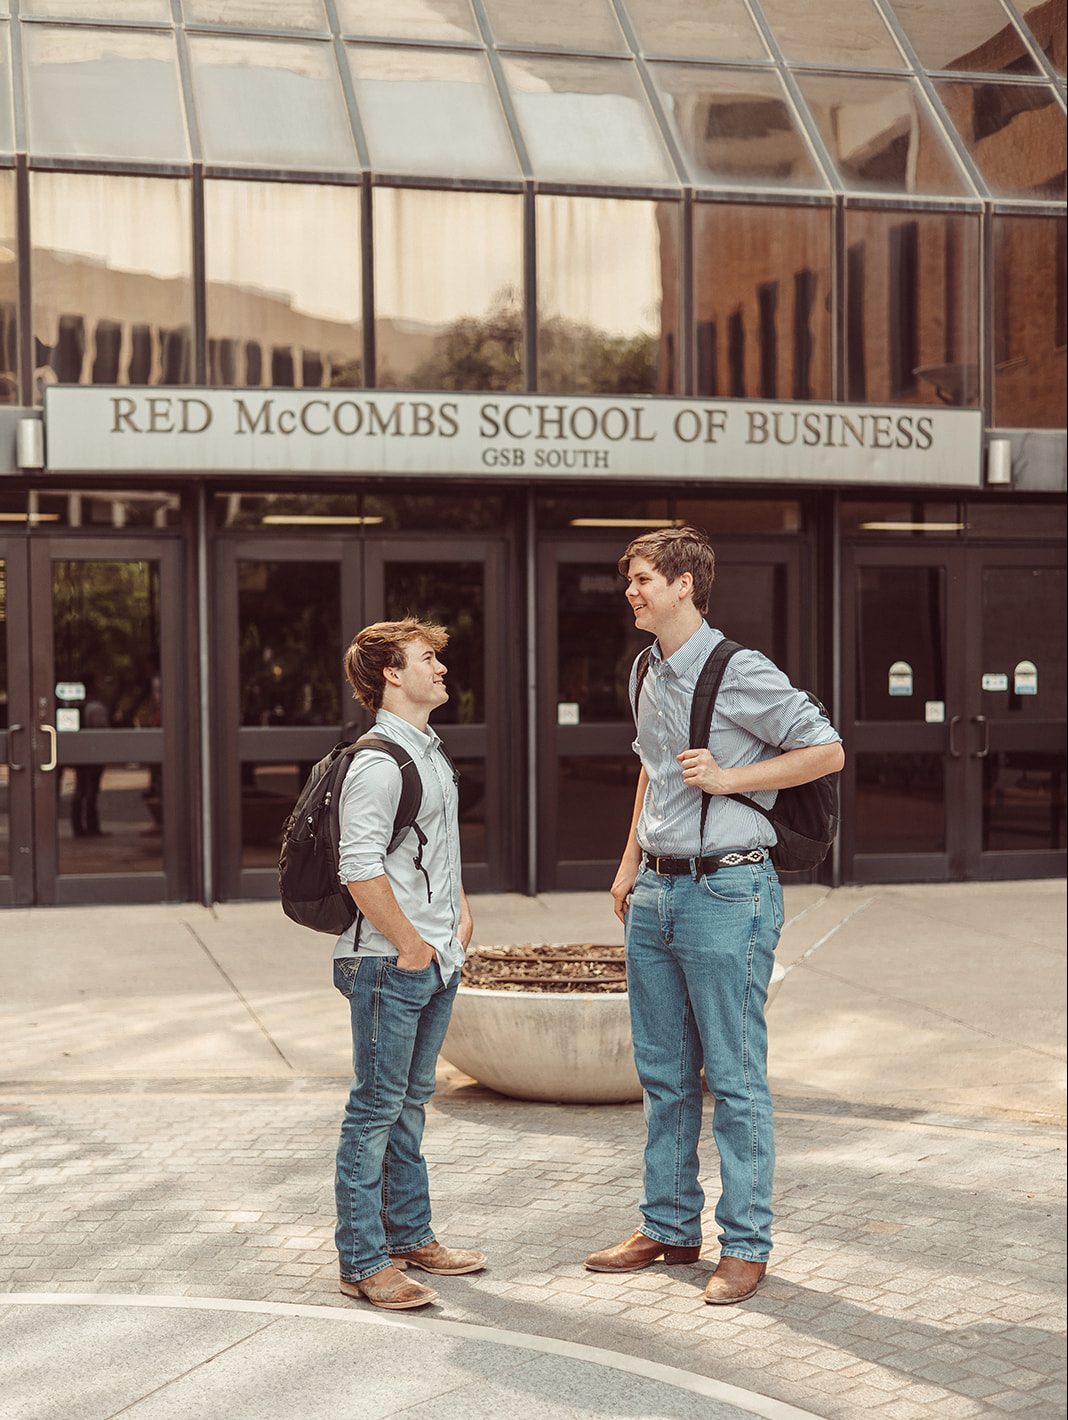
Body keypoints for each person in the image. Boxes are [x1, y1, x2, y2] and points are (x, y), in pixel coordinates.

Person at [585, 527, 844, 1305]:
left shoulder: (740, 671)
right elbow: (652, 769)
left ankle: (747, 1245)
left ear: (684, 585)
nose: (630, 590)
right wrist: (630, 863)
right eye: (628, 579)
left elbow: (826, 750)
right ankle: (667, 1225)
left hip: (730, 893)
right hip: (658, 893)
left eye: (641, 579)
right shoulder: (645, 669)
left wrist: (732, 779)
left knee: (732, 1078)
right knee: (663, 1076)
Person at [333, 617, 483, 1311]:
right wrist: (410, 946)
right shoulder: (377, 760)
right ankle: (363, 1262)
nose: (442, 669)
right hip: (390, 964)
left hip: (432, 957)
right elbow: (359, 869)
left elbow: (433, 844)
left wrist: (457, 907)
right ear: (392, 673)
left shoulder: (427, 747)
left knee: (410, 1105)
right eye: (428, 659)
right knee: (375, 1110)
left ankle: (410, 1235)